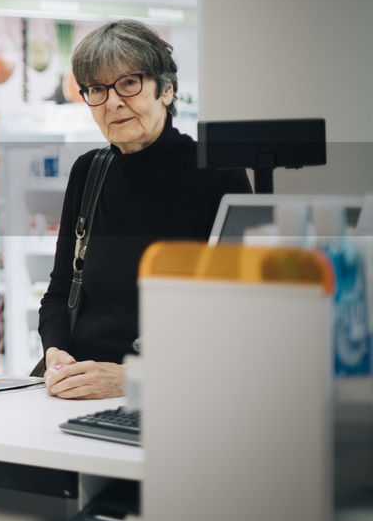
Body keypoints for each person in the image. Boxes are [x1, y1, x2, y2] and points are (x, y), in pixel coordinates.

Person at [38, 20, 251, 399]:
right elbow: (58, 293)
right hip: (78, 388)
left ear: (165, 90)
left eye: (129, 83)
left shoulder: (218, 176)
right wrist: (56, 354)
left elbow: (234, 318)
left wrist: (132, 378)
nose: (113, 102)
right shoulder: (89, 171)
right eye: (97, 90)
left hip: (170, 393)